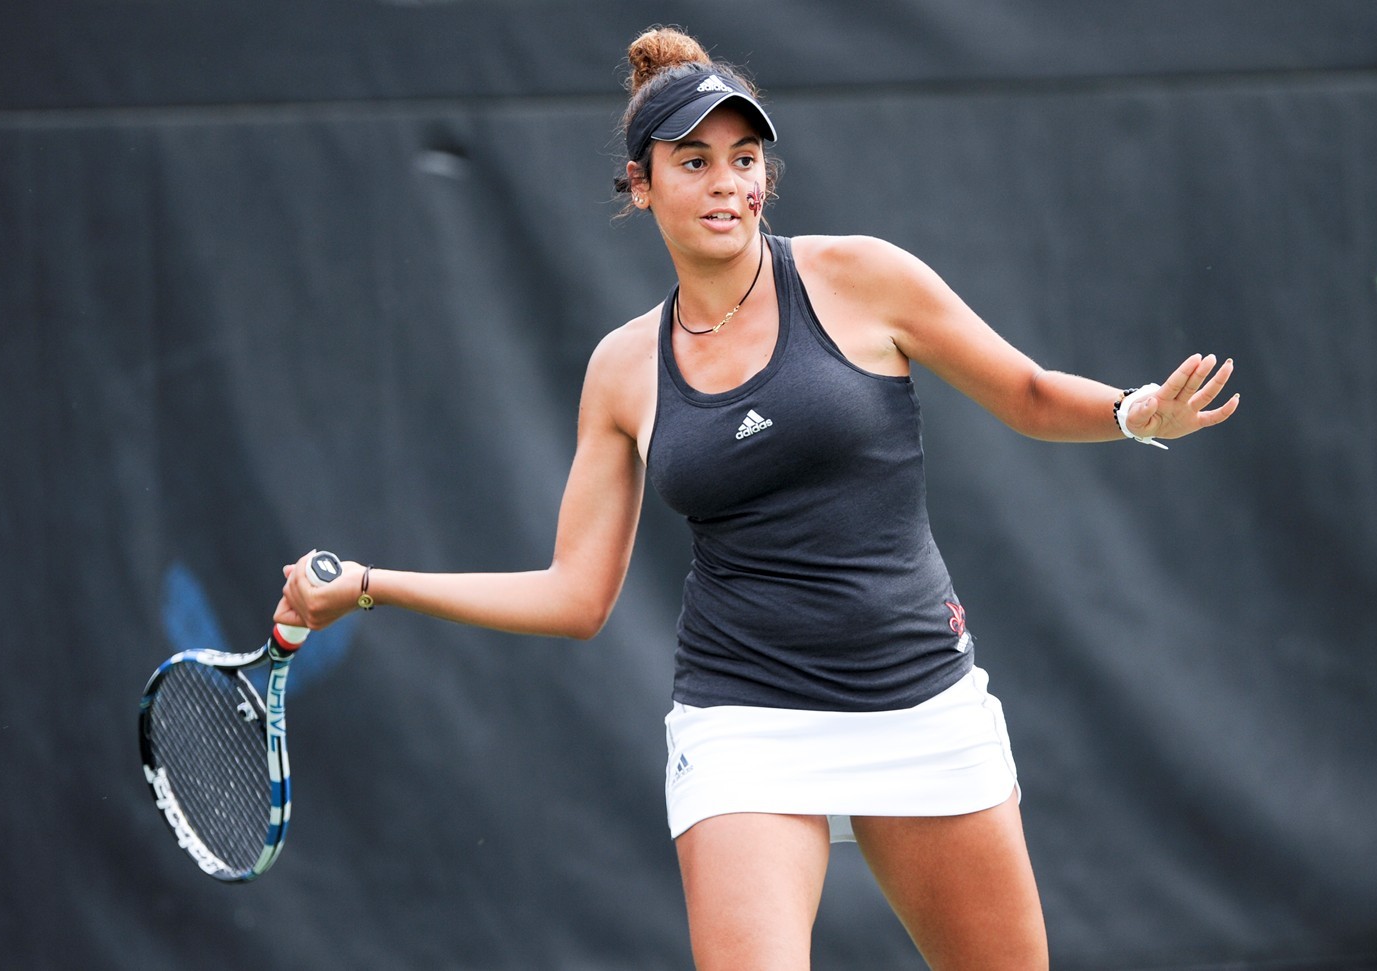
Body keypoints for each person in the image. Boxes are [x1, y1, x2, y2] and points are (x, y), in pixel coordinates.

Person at [276, 26, 1239, 970]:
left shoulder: (862, 277)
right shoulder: (622, 369)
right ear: (641, 185)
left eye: (744, 158)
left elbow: (1026, 392)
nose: (726, 182)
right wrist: (369, 583)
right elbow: (576, 595)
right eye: (693, 162)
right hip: (744, 716)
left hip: (919, 699)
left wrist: (1133, 411)